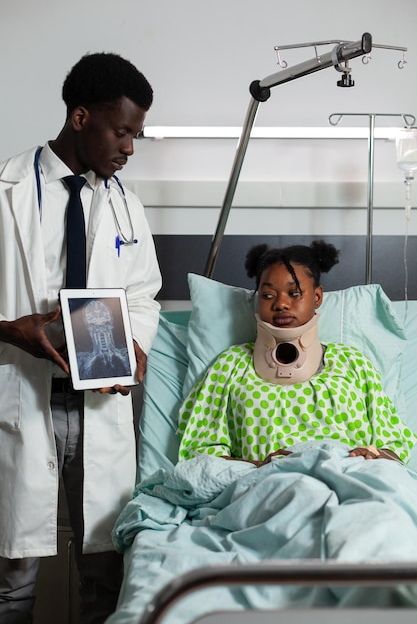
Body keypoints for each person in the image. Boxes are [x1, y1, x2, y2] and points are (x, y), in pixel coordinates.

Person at [0, 53, 162, 623]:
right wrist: (8, 331)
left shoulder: (126, 205)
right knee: (13, 573)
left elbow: (143, 293)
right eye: (121, 132)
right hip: (22, 396)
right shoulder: (7, 191)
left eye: (136, 135)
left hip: (99, 404)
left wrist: (134, 346)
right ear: (79, 118)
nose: (129, 148)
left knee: (104, 569)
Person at [178, 240, 417, 466]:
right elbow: (201, 453)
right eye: (268, 295)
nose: (281, 304)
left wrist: (372, 456)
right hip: (267, 486)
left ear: (317, 297)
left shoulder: (353, 363)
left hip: (351, 481)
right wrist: (262, 467)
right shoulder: (230, 366)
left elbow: (393, 445)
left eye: (294, 294)